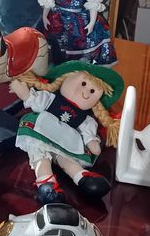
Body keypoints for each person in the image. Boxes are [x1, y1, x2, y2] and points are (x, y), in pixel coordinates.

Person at [10, 61, 123, 204]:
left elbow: (88, 134)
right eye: (83, 84)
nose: (86, 92)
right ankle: (46, 182)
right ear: (65, 79)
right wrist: (23, 91)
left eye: (92, 91)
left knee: (67, 158)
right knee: (41, 154)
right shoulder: (51, 99)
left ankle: (81, 176)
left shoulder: (86, 119)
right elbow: (33, 99)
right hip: (43, 131)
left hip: (66, 139)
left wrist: (92, 142)